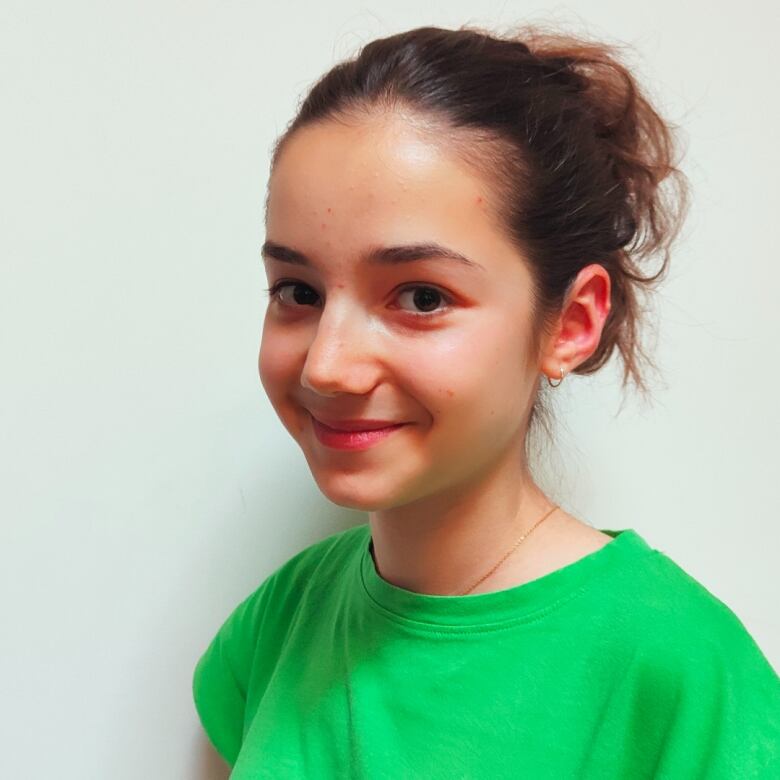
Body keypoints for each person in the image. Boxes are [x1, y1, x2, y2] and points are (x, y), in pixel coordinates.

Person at [192, 22, 780, 778]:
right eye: (298, 291)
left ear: (570, 323)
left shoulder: (679, 672)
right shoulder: (278, 622)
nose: (329, 366)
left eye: (422, 296)